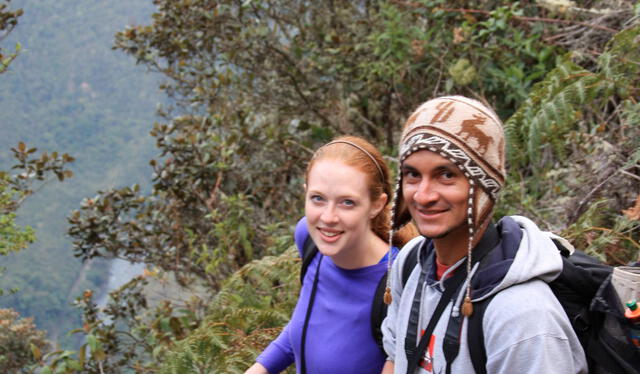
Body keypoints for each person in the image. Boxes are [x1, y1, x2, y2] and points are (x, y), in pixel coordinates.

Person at [380, 96, 588, 374]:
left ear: (484, 186)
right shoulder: (411, 263)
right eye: (413, 175)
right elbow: (395, 359)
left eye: (446, 175)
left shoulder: (523, 316)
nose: (423, 195)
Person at [245, 136, 416, 374]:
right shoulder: (309, 239)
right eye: (318, 198)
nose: (328, 218)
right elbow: (305, 326)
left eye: (347, 202)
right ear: (305, 194)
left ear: (376, 205)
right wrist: (260, 368)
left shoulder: (399, 279)